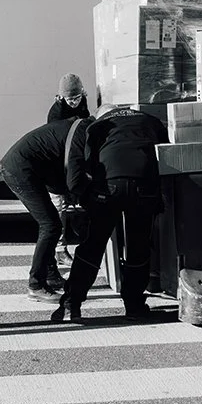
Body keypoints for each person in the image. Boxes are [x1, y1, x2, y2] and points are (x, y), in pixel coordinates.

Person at [51, 102, 168, 323]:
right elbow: (165, 152)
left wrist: (88, 198)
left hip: (108, 185)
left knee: (93, 245)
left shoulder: (98, 125)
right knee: (138, 245)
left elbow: (89, 164)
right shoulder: (149, 119)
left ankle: (71, 305)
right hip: (144, 184)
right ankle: (134, 306)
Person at [1, 115, 93, 302]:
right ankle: (36, 285)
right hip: (20, 170)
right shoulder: (83, 133)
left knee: (51, 224)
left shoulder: (79, 126)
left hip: (26, 166)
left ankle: (50, 276)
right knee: (50, 225)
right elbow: (73, 175)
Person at [47, 73, 91, 266]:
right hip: (56, 163)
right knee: (59, 208)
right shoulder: (56, 114)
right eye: (70, 99)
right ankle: (58, 249)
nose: (74, 102)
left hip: (74, 160)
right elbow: (58, 144)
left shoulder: (83, 105)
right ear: (60, 97)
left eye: (77, 98)